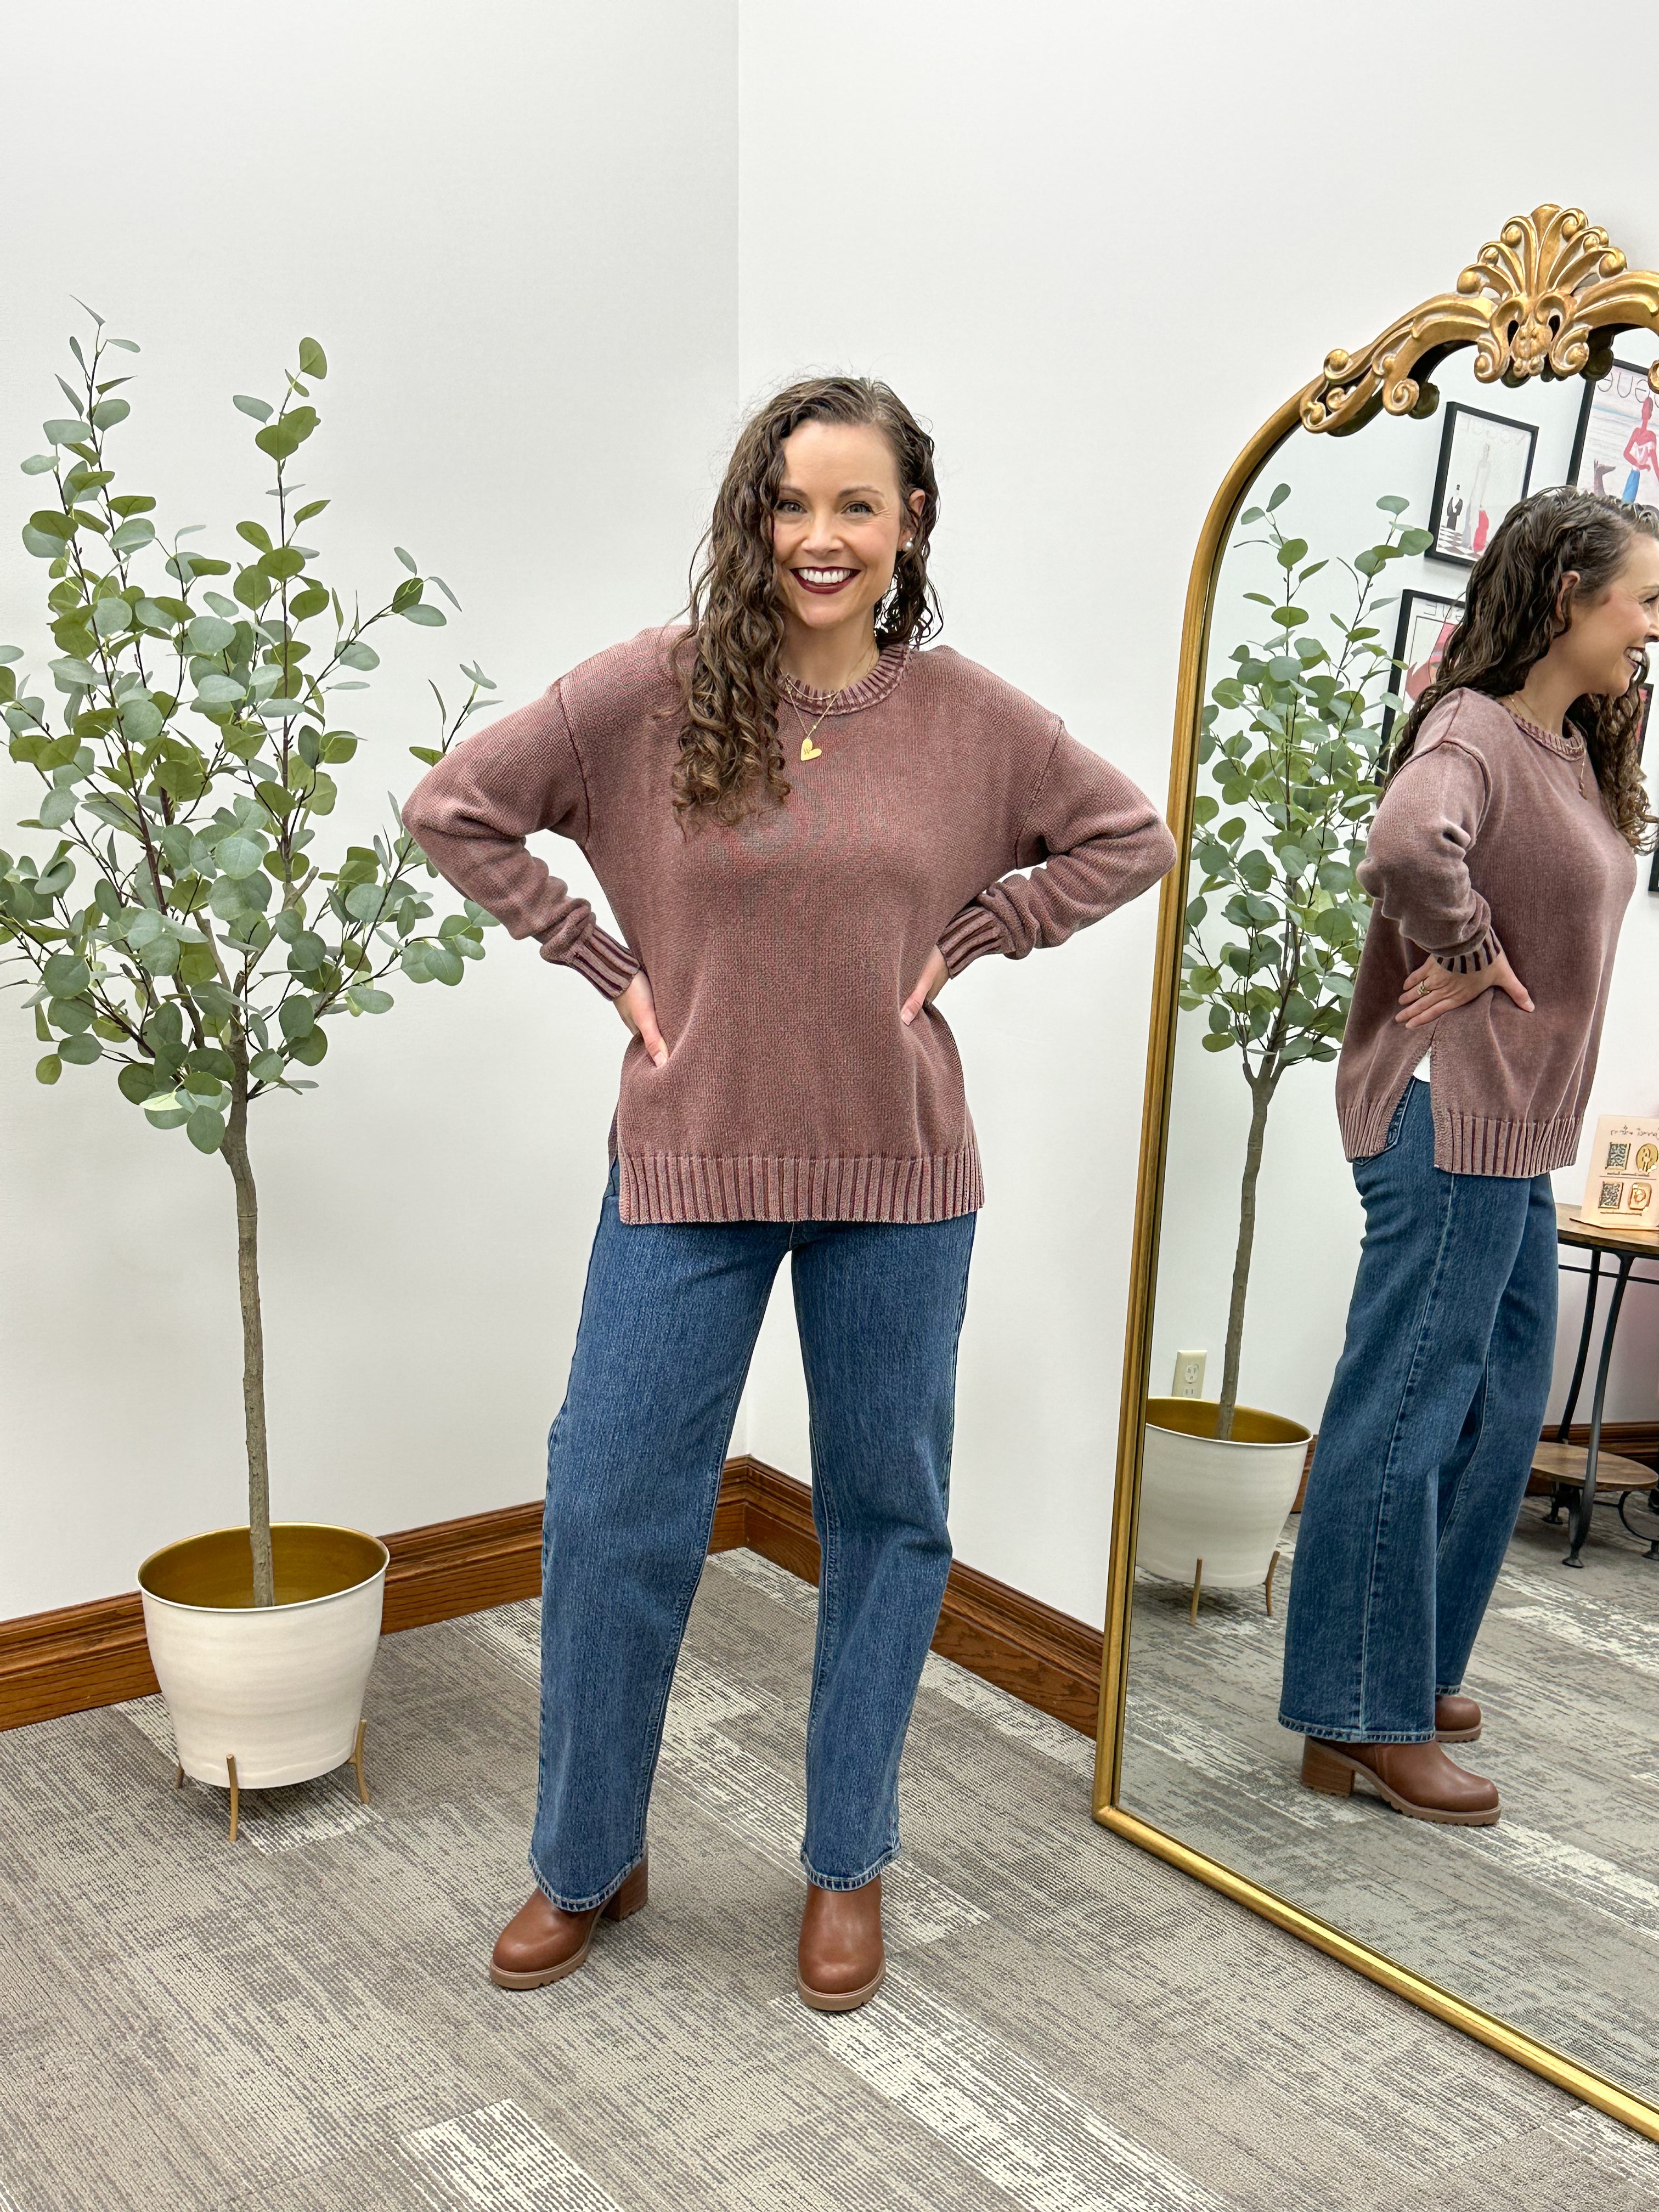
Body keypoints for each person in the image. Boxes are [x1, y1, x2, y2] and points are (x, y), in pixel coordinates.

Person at [402, 376, 1175, 2007]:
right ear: (753, 517)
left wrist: (989, 929)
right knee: (611, 1505)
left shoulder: (970, 719)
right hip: (689, 1158)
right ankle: (588, 1855)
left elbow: (1128, 837)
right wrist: (593, 953)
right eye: (790, 502)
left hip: (900, 1172)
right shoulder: (654, 689)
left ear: (910, 525)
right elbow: (454, 808)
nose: (820, 537)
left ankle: (847, 1859)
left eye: (856, 506)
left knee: (887, 1520)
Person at [1278, 486, 1659, 1826]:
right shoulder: (1473, 729)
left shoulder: (1571, 745)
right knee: (1407, 1409)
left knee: (1500, 1409)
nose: (1654, 629)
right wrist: (1465, 948)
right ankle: (1357, 1712)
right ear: (1567, 596)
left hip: (1510, 1133)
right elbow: (1405, 844)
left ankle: (1412, 1661)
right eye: (1644, 602)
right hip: (1450, 1115)